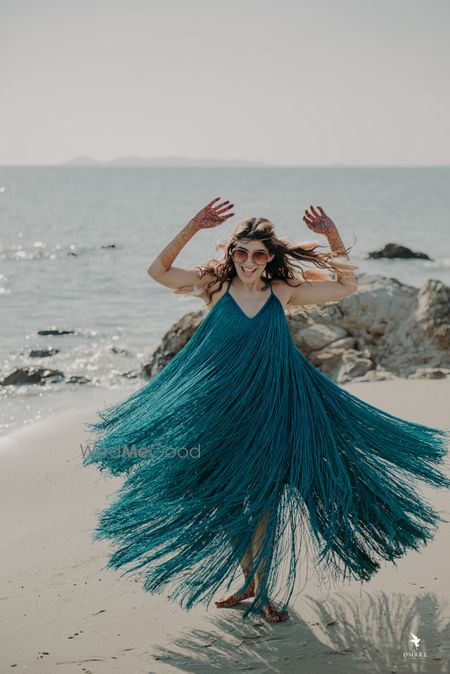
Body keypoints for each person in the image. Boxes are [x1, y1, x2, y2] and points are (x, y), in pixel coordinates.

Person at [83, 197, 450, 623]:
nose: (249, 260)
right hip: (218, 412)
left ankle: (263, 593)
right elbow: (158, 272)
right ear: (232, 252)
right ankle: (249, 583)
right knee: (225, 501)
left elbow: (346, 286)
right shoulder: (214, 287)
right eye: (241, 252)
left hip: (273, 410)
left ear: (270, 257)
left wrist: (331, 235)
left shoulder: (282, 292)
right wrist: (192, 226)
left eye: (258, 254)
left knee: (261, 503)